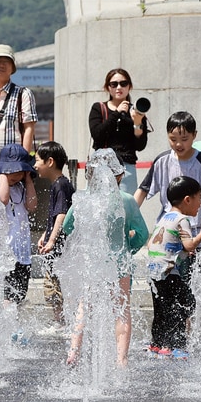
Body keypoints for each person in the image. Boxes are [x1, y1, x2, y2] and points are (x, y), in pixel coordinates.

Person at [63, 152, 150, 367]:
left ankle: (73, 352)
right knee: (121, 309)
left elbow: (67, 227)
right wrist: (129, 249)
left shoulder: (83, 199)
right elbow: (142, 233)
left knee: (84, 306)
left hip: (92, 261)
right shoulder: (127, 201)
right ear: (118, 176)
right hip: (119, 261)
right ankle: (121, 359)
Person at [147, 176, 201, 357]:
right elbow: (190, 245)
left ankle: (157, 345)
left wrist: (178, 250)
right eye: (199, 199)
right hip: (168, 271)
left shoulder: (165, 217)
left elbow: (153, 244)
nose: (200, 204)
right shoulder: (183, 220)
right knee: (184, 304)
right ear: (187, 200)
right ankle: (177, 347)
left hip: (154, 271)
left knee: (161, 308)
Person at [135, 111, 201, 230]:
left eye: (184, 139)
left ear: (194, 135)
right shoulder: (162, 161)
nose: (178, 144)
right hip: (167, 226)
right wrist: (130, 214)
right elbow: (143, 190)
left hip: (194, 227)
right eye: (173, 139)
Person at [89, 68, 149, 193]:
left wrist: (137, 123)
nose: (119, 87)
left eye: (123, 83)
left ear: (129, 86)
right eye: (114, 84)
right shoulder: (99, 108)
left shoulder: (137, 111)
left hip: (127, 169)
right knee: (101, 210)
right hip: (102, 167)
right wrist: (117, 113)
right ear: (107, 87)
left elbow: (140, 145)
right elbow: (97, 134)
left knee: (126, 209)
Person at [35, 141, 73, 327]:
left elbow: (62, 214)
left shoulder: (61, 185)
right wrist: (45, 234)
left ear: (50, 162)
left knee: (55, 288)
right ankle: (61, 321)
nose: (35, 165)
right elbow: (55, 216)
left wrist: (51, 240)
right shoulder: (58, 184)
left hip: (59, 248)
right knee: (53, 285)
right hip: (56, 246)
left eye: (37, 161)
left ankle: (62, 322)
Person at [0, 144, 37, 306]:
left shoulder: (21, 188)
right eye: (10, 171)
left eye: (19, 171)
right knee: (5, 297)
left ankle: (14, 329)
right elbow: (3, 200)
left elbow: (32, 206)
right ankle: (6, 329)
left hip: (22, 254)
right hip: (4, 254)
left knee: (18, 297)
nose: (15, 175)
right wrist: (3, 174)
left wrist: (28, 179)